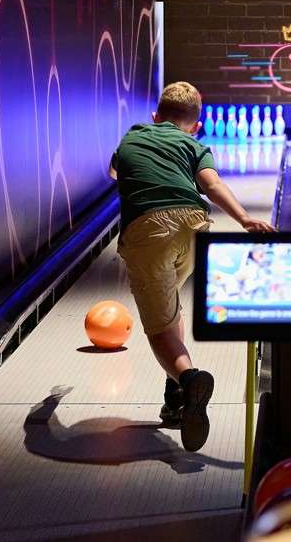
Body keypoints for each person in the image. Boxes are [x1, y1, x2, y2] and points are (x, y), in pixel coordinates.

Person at [109, 82, 276, 451]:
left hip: (149, 227)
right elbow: (211, 184)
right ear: (196, 124)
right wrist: (246, 219)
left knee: (158, 329)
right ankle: (174, 398)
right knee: (171, 311)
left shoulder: (133, 136)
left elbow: (115, 174)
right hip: (195, 225)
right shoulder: (196, 145)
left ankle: (189, 379)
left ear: (154, 117)